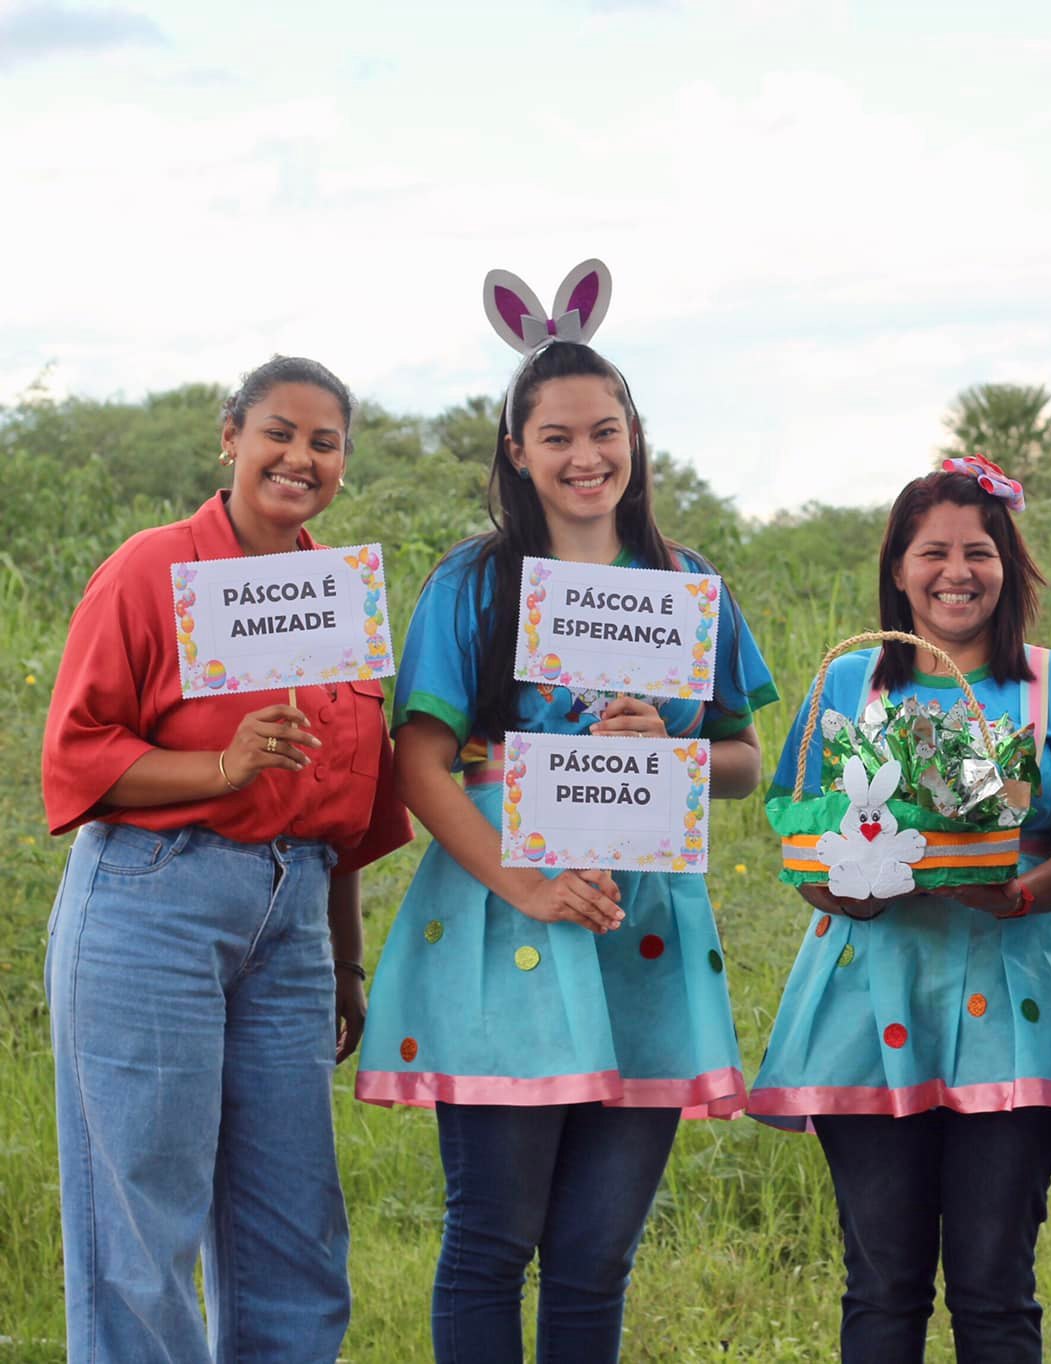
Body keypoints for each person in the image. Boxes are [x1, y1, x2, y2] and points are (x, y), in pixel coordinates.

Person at [352, 261, 777, 1362]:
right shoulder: (472, 583)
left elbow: (745, 760)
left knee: (595, 1256)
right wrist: (526, 879)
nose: (586, 456)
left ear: (636, 435)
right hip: (510, 922)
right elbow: (421, 761)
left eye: (606, 430)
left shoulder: (691, 583)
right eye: (557, 435)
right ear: (516, 450)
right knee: (492, 1238)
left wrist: (677, 745)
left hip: (641, 926)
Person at [42, 355, 413, 1361]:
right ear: (230, 437)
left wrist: (342, 959)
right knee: (142, 1222)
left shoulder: (337, 597)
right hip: (154, 900)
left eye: (324, 442)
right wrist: (222, 760)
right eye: (279, 433)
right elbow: (79, 760)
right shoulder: (149, 569)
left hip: (292, 919)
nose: (300, 456)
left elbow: (347, 811)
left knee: (293, 1223)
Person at [749, 455, 1051, 1363]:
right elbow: (801, 834)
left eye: (979, 551)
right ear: (898, 567)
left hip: (1018, 1006)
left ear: (1010, 564)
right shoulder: (848, 686)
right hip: (872, 1001)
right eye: (933, 551)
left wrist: (1019, 892)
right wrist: (840, 890)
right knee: (882, 1285)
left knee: (995, 1287)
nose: (957, 571)